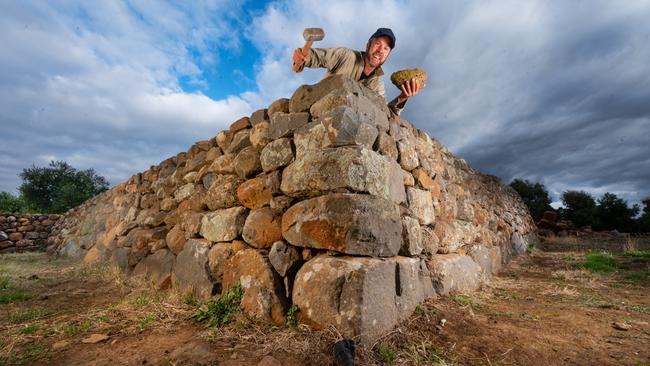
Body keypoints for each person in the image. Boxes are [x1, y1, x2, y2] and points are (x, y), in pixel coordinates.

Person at [292, 28, 422, 115]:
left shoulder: (377, 85)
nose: (380, 51)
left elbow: (386, 113)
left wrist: (403, 97)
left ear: (388, 54)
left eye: (386, 48)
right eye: (377, 44)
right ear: (368, 45)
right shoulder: (345, 55)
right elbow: (318, 56)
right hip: (320, 114)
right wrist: (304, 56)